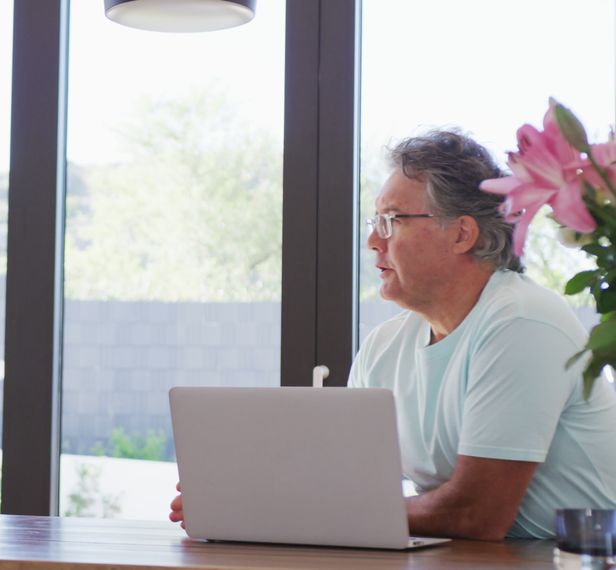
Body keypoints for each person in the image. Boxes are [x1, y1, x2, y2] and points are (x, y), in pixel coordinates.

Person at [170, 130, 616, 540]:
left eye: (392, 220)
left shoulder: (522, 322)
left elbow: (476, 514)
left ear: (462, 233)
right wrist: (239, 494)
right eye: (375, 221)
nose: (372, 242)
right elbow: (343, 487)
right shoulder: (385, 346)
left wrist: (271, 510)